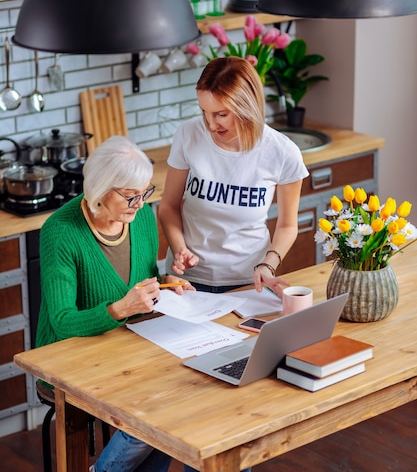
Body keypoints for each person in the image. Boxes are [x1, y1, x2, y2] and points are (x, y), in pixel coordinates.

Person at [36, 135, 193, 472]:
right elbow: (62, 320)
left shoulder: (143, 218)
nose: (140, 203)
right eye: (130, 195)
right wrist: (121, 308)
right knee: (157, 408)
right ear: (100, 190)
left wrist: (167, 286)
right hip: (70, 359)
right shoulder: (60, 232)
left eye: (145, 192)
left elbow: (144, 283)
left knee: (183, 394)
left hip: (129, 348)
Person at [159, 56, 309, 296]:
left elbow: (288, 225)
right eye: (204, 112)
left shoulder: (282, 152)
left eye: (221, 114)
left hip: (249, 282)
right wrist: (180, 250)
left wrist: (268, 264)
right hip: (187, 282)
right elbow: (168, 206)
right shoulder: (189, 135)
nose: (210, 124)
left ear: (246, 106)